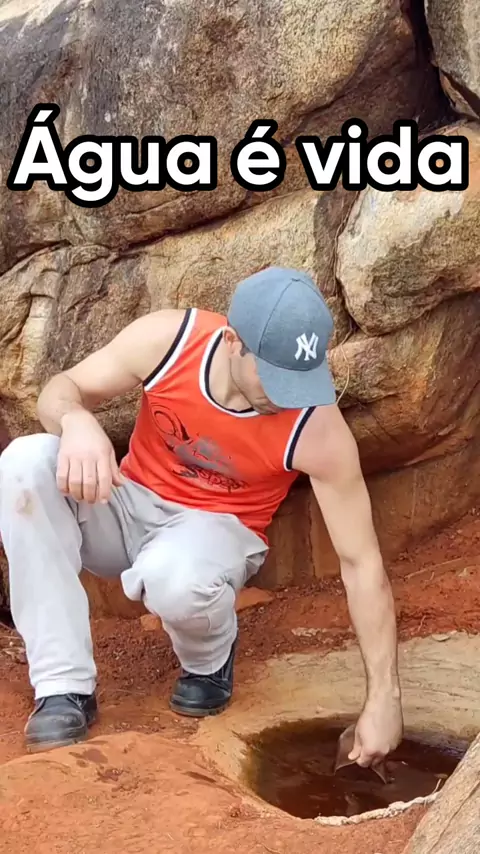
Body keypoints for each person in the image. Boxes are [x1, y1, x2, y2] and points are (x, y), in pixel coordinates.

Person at [0, 266, 403, 759]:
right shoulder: (169, 341)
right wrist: (75, 419)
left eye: (301, 378)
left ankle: (210, 661)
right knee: (24, 463)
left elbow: (362, 563)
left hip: (215, 533)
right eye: (274, 374)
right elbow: (59, 389)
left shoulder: (317, 427)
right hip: (127, 504)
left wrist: (385, 699)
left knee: (175, 577)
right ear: (233, 342)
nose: (288, 394)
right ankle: (62, 687)